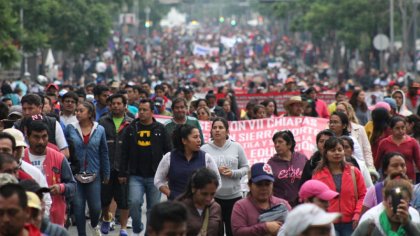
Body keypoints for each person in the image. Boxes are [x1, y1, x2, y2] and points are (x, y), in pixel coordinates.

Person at [119, 98, 172, 236]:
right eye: (140, 110)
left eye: (145, 110)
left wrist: (169, 172)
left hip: (155, 176)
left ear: (152, 112)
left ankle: (149, 233)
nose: (141, 113)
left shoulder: (160, 129)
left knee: (153, 209)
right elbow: (123, 152)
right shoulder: (131, 129)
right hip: (135, 175)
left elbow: (169, 152)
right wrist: (122, 173)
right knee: (134, 202)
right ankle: (137, 226)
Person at [65, 101, 110, 236]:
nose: (77, 113)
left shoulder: (99, 129)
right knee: (78, 207)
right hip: (75, 173)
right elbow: (65, 150)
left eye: (81, 111)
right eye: (77, 111)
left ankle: (94, 224)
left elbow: (104, 152)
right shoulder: (70, 128)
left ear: (90, 113)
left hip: (94, 173)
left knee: (96, 208)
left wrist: (106, 173)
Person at [201, 118, 249, 236]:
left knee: (232, 231)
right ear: (211, 131)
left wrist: (233, 173)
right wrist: (215, 171)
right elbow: (199, 172)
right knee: (215, 232)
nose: (217, 130)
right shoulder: (204, 149)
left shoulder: (236, 146)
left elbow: (246, 167)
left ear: (227, 131)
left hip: (234, 198)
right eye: (215, 127)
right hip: (212, 198)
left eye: (221, 128)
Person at [22, 121, 76, 226]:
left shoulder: (59, 158)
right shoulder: (21, 159)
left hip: (54, 218)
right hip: (26, 218)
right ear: (27, 137)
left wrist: (60, 188)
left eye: (44, 137)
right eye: (36, 137)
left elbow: (73, 185)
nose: (41, 141)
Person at [312, 137, 366, 236]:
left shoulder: (354, 172)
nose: (337, 153)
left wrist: (357, 214)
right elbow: (314, 200)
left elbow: (363, 195)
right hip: (328, 223)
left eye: (340, 150)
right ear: (325, 153)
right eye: (333, 150)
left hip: (351, 223)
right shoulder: (318, 175)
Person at [155, 124, 221, 200]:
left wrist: (205, 195)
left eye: (199, 136)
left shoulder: (206, 158)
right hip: (175, 205)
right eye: (195, 137)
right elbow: (158, 180)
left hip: (198, 206)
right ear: (184, 141)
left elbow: (218, 180)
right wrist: (171, 194)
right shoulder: (169, 157)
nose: (199, 140)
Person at [98, 94, 133, 235]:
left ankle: (123, 228)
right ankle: (106, 219)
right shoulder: (102, 122)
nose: (116, 106)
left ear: (125, 105)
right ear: (109, 106)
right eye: (113, 104)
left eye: (119, 103)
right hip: (106, 167)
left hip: (124, 168)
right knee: (105, 199)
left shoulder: (131, 123)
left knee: (124, 200)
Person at [231, 163, 291, 236]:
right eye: (259, 184)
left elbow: (295, 227)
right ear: (249, 185)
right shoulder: (240, 206)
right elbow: (238, 232)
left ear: (272, 184)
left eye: (267, 184)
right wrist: (265, 227)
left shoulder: (283, 204)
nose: (264, 188)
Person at [354, 178, 420, 235]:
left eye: (402, 203)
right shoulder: (370, 225)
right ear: (384, 201)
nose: (396, 208)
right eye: (392, 203)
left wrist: (407, 224)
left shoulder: (415, 222)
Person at [177, 168, 224, 235]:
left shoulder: (215, 208)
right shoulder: (180, 208)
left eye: (212, 194)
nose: (208, 198)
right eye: (204, 194)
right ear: (193, 189)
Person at [268, 130, 307, 206]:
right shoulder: (271, 163)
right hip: (281, 206)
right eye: (275, 143)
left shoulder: (302, 158)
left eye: (280, 142)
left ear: (289, 144)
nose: (277, 145)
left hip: (302, 203)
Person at [376, 116, 420, 182]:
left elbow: (418, 161)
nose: (401, 131)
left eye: (403, 128)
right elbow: (377, 162)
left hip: (408, 178)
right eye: (397, 128)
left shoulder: (412, 142)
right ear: (391, 129)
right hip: (389, 179)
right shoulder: (384, 143)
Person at [336, 101, 374, 169]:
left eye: (342, 111)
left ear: (348, 113)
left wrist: (370, 168)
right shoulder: (329, 129)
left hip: (357, 166)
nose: (339, 113)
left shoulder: (360, 129)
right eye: (337, 110)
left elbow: (366, 150)